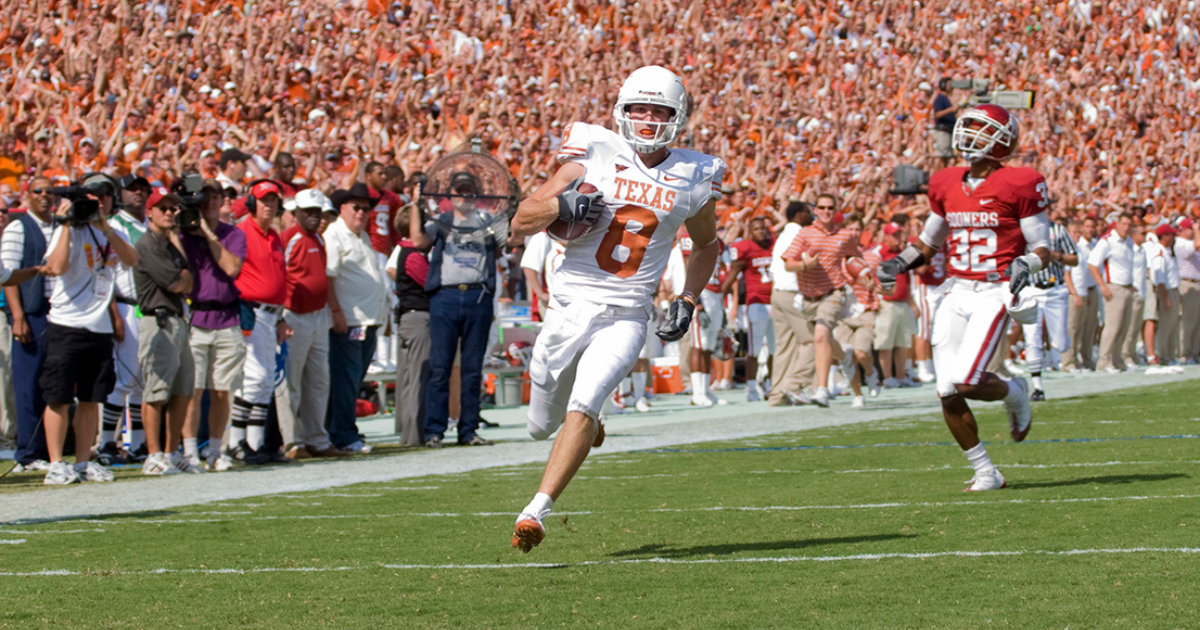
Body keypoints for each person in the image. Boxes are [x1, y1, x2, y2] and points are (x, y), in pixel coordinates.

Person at [507, 66, 724, 552]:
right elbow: (522, 218)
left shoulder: (694, 175)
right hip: (569, 304)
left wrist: (688, 298)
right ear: (623, 111)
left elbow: (707, 244)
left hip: (627, 313)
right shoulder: (593, 152)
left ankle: (535, 510)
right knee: (540, 424)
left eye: (659, 110)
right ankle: (588, 428)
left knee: (584, 402)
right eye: (639, 109)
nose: (648, 119)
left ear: (677, 116)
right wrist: (561, 208)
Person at [877, 103, 1047, 492]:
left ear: (1003, 141)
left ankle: (1015, 391)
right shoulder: (946, 181)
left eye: (979, 129)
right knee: (947, 390)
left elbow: (1042, 247)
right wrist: (896, 264)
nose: (968, 135)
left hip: (994, 288)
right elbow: (928, 242)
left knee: (967, 381)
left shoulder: (1020, 182)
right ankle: (987, 471)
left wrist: (1028, 265)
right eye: (968, 127)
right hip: (956, 288)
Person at [39, 175, 139, 484]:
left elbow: (132, 260)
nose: (100, 202)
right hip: (67, 324)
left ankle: (83, 462)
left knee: (91, 397)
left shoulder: (116, 230)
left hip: (99, 326)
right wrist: (68, 223)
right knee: (58, 397)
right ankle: (56, 463)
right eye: (94, 197)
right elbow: (55, 268)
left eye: (106, 196)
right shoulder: (68, 229)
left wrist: (106, 227)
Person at [408, 172, 505, 449]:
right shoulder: (442, 222)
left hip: (477, 296)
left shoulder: (486, 223)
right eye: (459, 191)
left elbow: (505, 244)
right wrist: (416, 204)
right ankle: (434, 430)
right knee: (440, 367)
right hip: (446, 296)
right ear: (450, 196)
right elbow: (418, 241)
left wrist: (511, 207)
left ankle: (469, 429)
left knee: (472, 370)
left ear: (476, 195)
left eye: (468, 191)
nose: (464, 196)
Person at [180, 178, 246, 471]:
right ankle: (190, 451)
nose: (209, 202)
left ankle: (216, 450)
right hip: (195, 318)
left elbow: (232, 267)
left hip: (226, 317)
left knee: (222, 390)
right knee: (192, 390)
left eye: (214, 196)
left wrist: (207, 233)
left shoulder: (232, 234)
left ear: (222, 200)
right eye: (203, 197)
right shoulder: (182, 235)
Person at [135, 188, 199, 474]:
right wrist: (184, 278)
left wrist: (184, 276)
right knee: (157, 390)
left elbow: (190, 278)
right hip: (158, 320)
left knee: (183, 389)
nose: (170, 213)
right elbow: (176, 283)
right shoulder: (147, 244)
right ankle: (153, 453)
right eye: (163, 208)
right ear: (150, 211)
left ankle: (172, 451)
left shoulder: (170, 243)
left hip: (177, 320)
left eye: (173, 208)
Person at [231, 180, 292, 463]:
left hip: (271, 314)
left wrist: (281, 315)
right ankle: (236, 442)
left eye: (273, 201)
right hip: (250, 310)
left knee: (267, 380)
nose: (269, 206)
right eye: (264, 200)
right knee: (253, 378)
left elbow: (279, 278)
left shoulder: (274, 236)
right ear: (252, 204)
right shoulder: (240, 232)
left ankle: (254, 445)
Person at [324, 182, 388, 454]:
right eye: (356, 207)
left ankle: (340, 428)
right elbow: (328, 278)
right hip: (348, 320)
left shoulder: (361, 236)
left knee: (353, 378)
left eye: (366, 208)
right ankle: (343, 434)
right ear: (342, 208)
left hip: (368, 319)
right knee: (346, 380)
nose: (361, 213)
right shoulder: (334, 234)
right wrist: (336, 311)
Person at [281, 189, 344, 458]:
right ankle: (292, 441)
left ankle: (317, 438)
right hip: (295, 314)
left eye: (317, 212)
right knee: (291, 381)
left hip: (317, 315)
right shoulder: (290, 238)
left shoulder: (317, 237)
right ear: (296, 212)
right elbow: (279, 274)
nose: (314, 216)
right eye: (308, 211)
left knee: (319, 381)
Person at [781, 193, 860, 407]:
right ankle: (844, 356)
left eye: (830, 208)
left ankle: (822, 390)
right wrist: (806, 264)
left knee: (820, 334)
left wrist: (863, 275)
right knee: (824, 340)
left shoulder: (844, 235)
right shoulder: (805, 234)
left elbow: (854, 258)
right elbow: (788, 264)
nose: (826, 211)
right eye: (822, 207)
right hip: (808, 297)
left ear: (835, 211)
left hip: (833, 292)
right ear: (815, 210)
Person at [2, 177, 56, 469]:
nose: (45, 196)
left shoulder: (62, 226)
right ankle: (28, 452)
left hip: (60, 314)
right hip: (32, 313)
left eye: (50, 191)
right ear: (28, 195)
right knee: (27, 384)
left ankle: (51, 450)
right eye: (39, 191)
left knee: (54, 385)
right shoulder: (17, 228)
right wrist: (18, 315)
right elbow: (8, 275)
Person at [98, 174, 151, 466]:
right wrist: (114, 313)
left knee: (142, 379)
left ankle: (138, 443)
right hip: (125, 304)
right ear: (121, 193)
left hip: (147, 307)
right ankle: (107, 441)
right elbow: (106, 276)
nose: (139, 194)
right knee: (123, 378)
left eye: (143, 189)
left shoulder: (148, 224)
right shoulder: (115, 225)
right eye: (132, 189)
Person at [387, 205, 433, 446]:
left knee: (407, 378)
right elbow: (431, 283)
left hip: (408, 318)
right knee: (416, 377)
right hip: (417, 319)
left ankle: (407, 431)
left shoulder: (403, 252)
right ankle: (414, 433)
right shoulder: (412, 254)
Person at [1021, 211, 1078, 400]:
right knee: (1032, 338)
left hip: (1055, 290)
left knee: (1060, 344)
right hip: (1032, 289)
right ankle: (1037, 386)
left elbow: (1074, 259)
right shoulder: (1022, 230)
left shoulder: (1058, 230)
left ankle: (1054, 352)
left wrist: (1054, 256)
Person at [721, 216, 775, 401]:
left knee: (774, 349)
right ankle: (751, 387)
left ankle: (770, 385)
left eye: (764, 228)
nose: (762, 231)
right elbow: (732, 275)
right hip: (756, 303)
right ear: (750, 232)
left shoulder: (774, 243)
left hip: (775, 302)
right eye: (757, 229)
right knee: (754, 348)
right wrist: (720, 297)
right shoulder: (744, 248)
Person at [767, 201, 816, 406]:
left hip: (778, 291)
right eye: (808, 212)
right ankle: (794, 385)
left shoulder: (782, 236)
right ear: (799, 214)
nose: (812, 215)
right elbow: (799, 265)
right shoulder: (800, 235)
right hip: (792, 292)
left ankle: (778, 394)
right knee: (813, 341)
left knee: (784, 346)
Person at [1087, 213, 1136, 372]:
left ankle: (1117, 360)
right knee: (1112, 326)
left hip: (1127, 286)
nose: (1126, 227)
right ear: (1117, 224)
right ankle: (1103, 361)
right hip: (1114, 286)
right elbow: (1093, 263)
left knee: (1124, 326)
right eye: (1124, 223)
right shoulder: (1107, 241)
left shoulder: (1129, 242)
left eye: (1129, 224)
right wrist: (1102, 284)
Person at [1065, 216, 1100, 371]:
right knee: (1072, 328)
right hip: (1076, 293)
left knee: (1085, 328)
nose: (1077, 235)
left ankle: (1082, 359)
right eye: (1074, 232)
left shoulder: (1082, 248)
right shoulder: (1068, 250)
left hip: (1085, 291)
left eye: (1078, 232)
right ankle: (1068, 361)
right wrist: (1074, 294)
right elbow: (1066, 275)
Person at [1147, 224, 1181, 364]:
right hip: (1167, 291)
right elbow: (1159, 277)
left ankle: (1170, 355)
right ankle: (1163, 355)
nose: (1173, 237)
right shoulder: (1159, 251)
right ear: (1165, 236)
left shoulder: (1167, 251)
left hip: (1172, 290)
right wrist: (1165, 297)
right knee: (1165, 326)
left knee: (1172, 325)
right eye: (1171, 234)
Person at [1173, 219, 1200, 363]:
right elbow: (1197, 244)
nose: (1193, 230)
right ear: (1182, 229)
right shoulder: (1181, 243)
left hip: (1196, 284)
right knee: (1187, 322)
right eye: (1190, 228)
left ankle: (1194, 352)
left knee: (1197, 322)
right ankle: (1185, 353)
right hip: (1187, 283)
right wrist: (1197, 230)